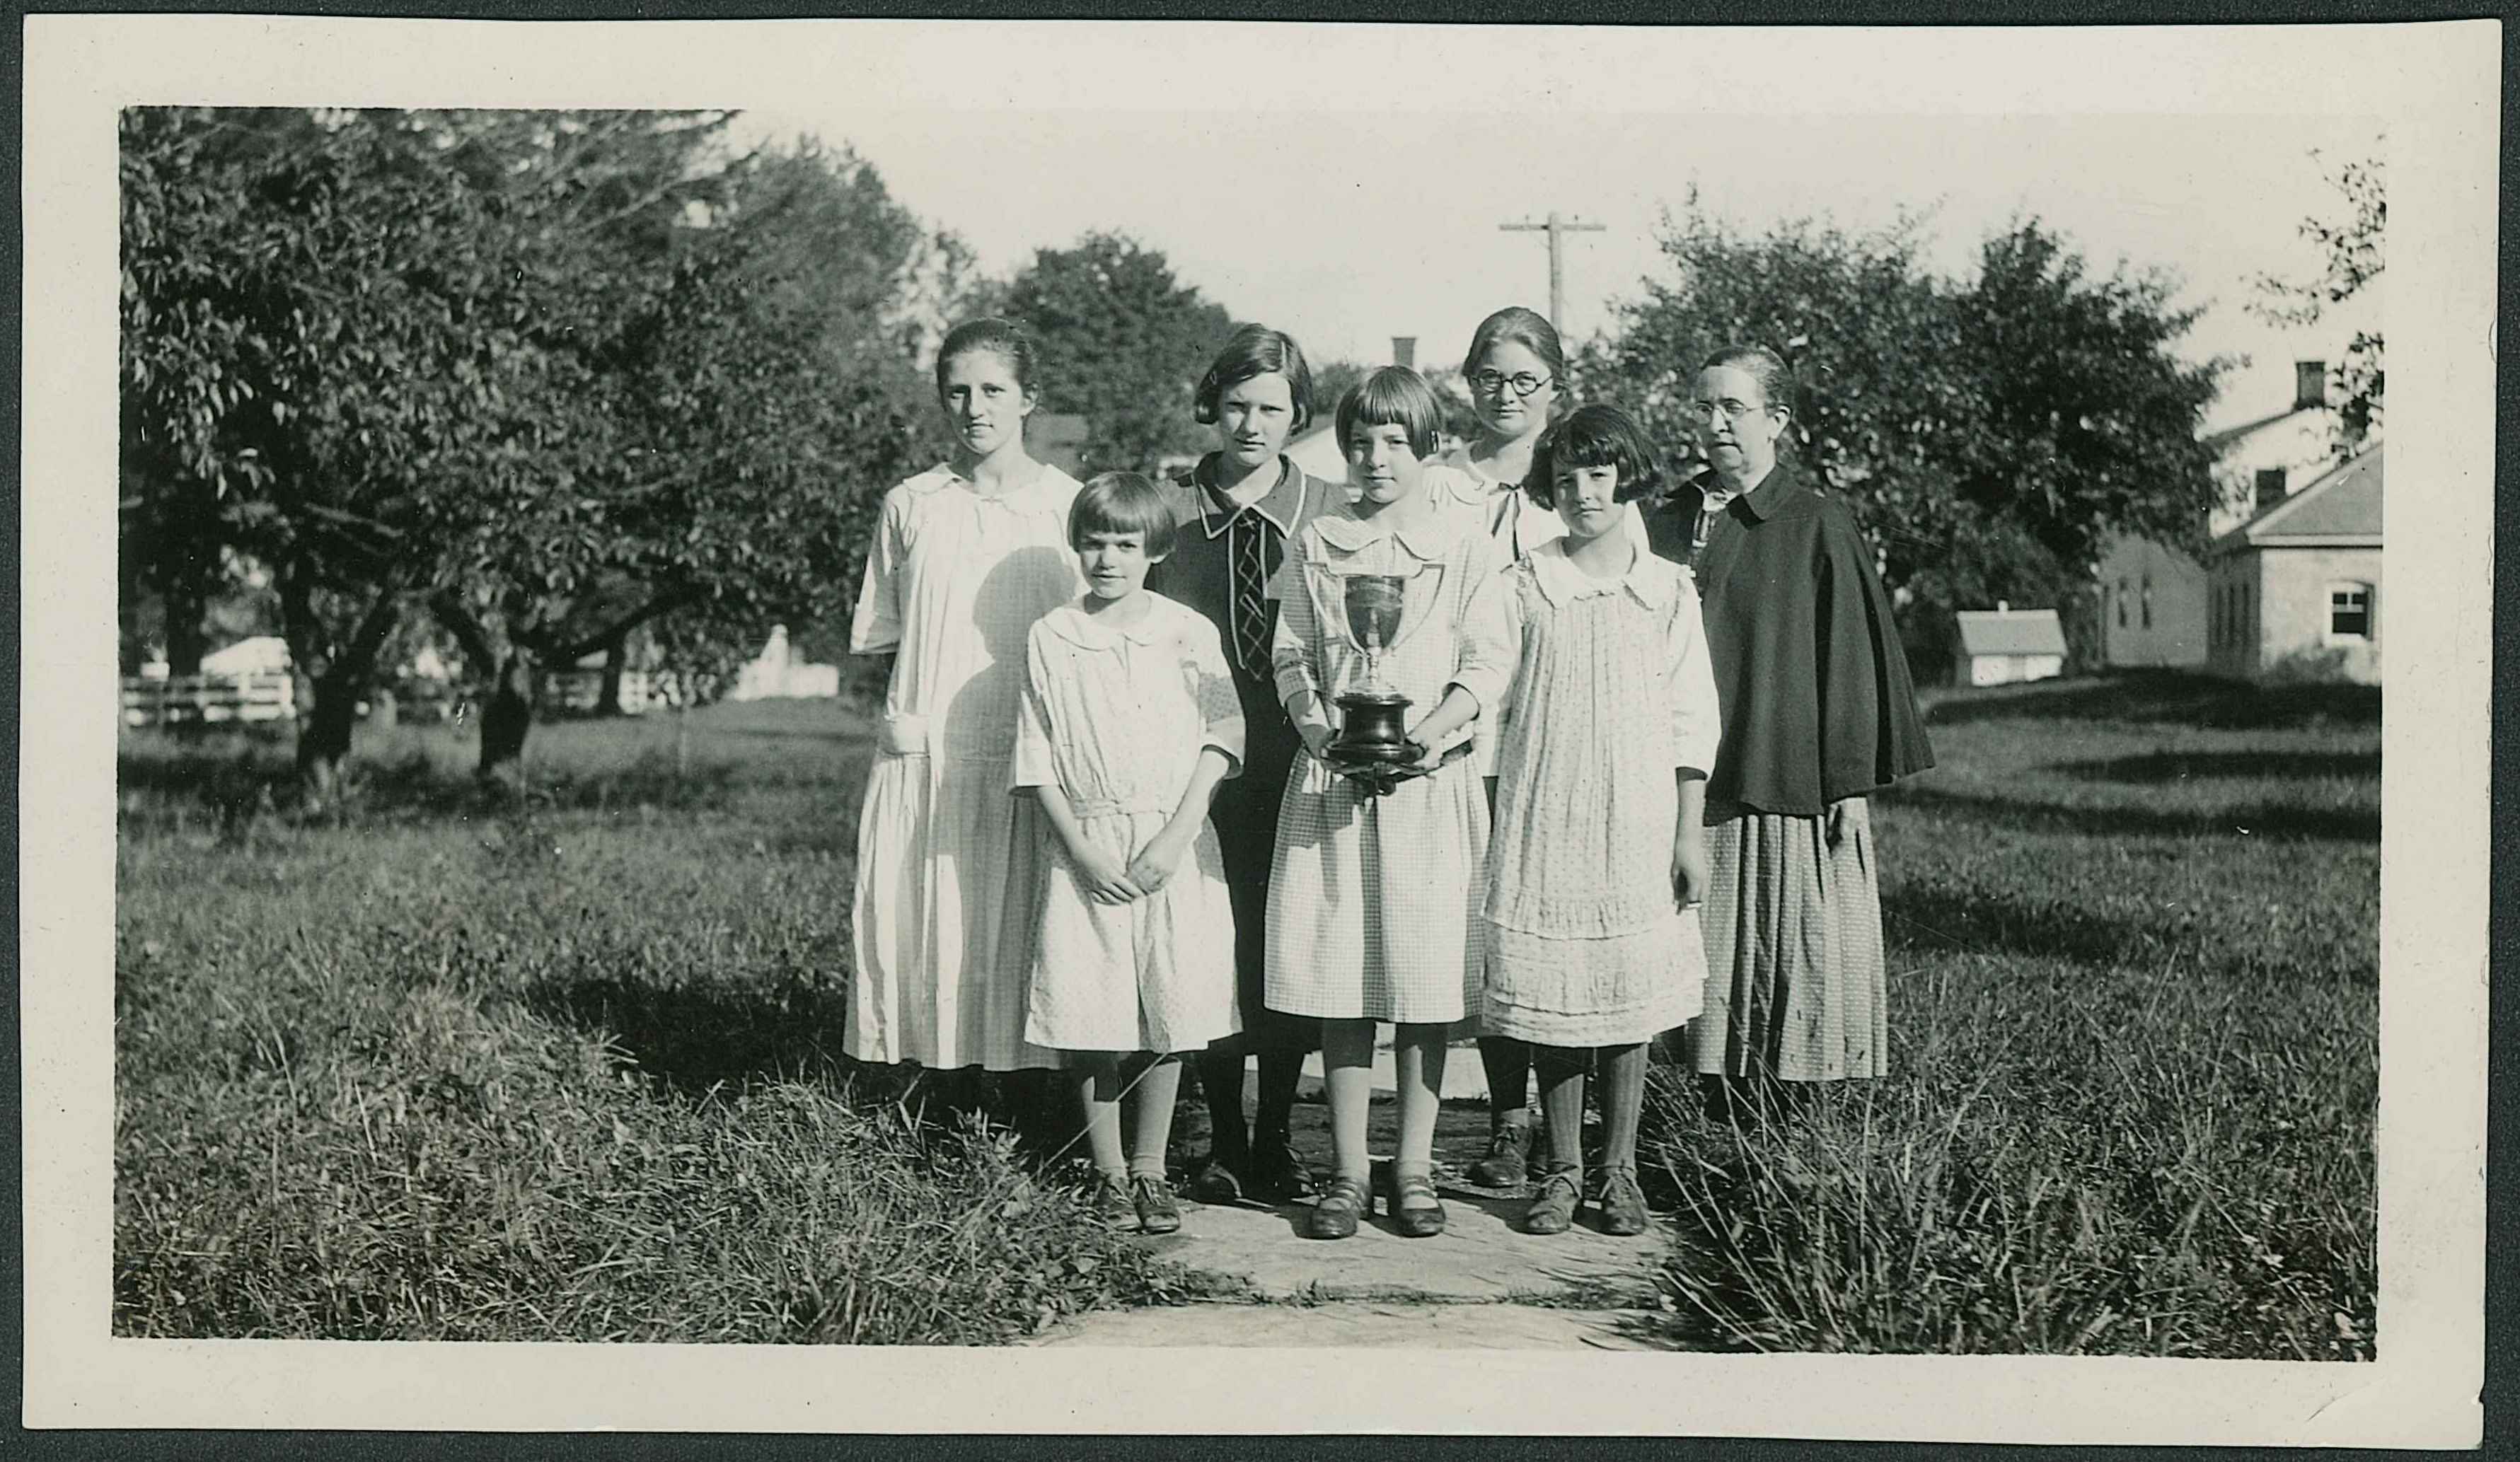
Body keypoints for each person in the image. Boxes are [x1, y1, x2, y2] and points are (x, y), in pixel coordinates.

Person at [1641, 345, 1934, 1110]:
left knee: (1779, 951)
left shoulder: (1814, 521)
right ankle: (1685, 1110)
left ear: (1777, 421)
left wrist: (1849, 784)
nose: (1715, 424)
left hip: (1776, 778)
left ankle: (1777, 1118)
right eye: (1703, 407)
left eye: (1733, 408)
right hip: (1676, 780)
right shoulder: (1665, 519)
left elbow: (1851, 657)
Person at [1455, 405, 1720, 1236]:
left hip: (1636, 820)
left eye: (1597, 475)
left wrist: (1687, 831)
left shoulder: (1666, 589)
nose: (1582, 494)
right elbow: (1485, 699)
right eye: (1564, 480)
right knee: (1557, 1004)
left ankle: (1619, 1173)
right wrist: (1495, 815)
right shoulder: (1523, 584)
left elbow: (1691, 718)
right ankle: (1563, 1172)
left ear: (1626, 478)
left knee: (1626, 1005)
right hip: (1544, 814)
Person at [1266, 367, 1506, 1241]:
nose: (1375, 459)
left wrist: (1427, 736)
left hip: (1426, 784)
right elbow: (1291, 652)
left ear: (1428, 447)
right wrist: (1315, 724)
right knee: (1341, 977)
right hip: (1333, 778)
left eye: (1395, 443)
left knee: (1423, 977)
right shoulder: (1319, 539)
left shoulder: (1466, 543)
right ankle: (1347, 1171)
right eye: (1360, 442)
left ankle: (1412, 1167)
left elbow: (1486, 664)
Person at [1439, 306, 1650, 1191]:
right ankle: (1506, 1122)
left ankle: (1594, 1144)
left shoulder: (1583, 482)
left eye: (1526, 380)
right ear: (1468, 382)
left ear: (1556, 389)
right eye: (1490, 377)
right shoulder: (1443, 482)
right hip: (1458, 730)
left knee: (1556, 916)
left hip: (1559, 742)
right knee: (1492, 922)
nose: (1506, 394)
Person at [845, 318, 1085, 1092]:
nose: (974, 408)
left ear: (1027, 401)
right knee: (926, 922)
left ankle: (1025, 1104)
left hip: (1027, 750)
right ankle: (933, 1098)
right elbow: (886, 631)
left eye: (993, 390)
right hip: (929, 748)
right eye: (958, 391)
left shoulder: (1066, 508)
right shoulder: (913, 504)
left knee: (1019, 923)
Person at [1017, 472, 1246, 1234]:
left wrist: (1177, 836)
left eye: (1125, 543)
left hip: (1171, 846)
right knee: (1093, 1007)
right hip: (1089, 843)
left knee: (1169, 1000)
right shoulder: (1052, 634)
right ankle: (1107, 1171)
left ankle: (1151, 1168)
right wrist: (1079, 849)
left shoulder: (1186, 631)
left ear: (1154, 549)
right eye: (1094, 541)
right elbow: (1036, 756)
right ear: (1076, 545)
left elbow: (1222, 735)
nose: (1107, 558)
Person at [1146, 325, 1336, 1205]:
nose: (1252, 425)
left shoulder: (1331, 513)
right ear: (1211, 408)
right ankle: (1220, 1136)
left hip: (1302, 760)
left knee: (1290, 944)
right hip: (1198, 768)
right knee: (1214, 944)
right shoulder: (1171, 514)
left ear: (1299, 414)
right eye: (1236, 407)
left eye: (1272, 408)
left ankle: (1278, 1136)